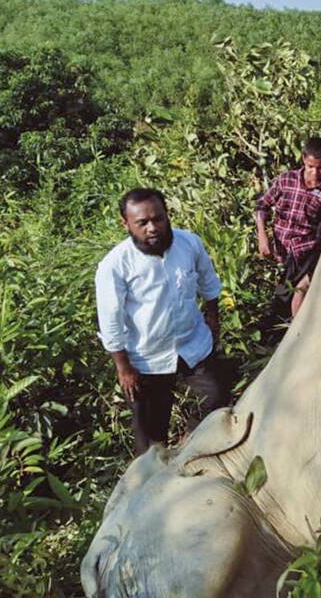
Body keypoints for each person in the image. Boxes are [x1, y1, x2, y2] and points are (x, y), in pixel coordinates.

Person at [95, 188, 230, 455]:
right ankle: (157, 475)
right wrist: (123, 368)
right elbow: (111, 320)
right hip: (146, 358)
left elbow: (208, 282)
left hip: (193, 344)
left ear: (167, 215)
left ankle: (191, 449)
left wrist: (212, 318)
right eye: (142, 223)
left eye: (158, 219)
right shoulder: (115, 265)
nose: (152, 228)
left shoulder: (189, 244)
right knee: (151, 442)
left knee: (216, 401)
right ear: (125, 224)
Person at [255, 137, 321, 321]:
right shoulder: (286, 180)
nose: (315, 173)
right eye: (310, 167)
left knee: (289, 295)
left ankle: (287, 326)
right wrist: (262, 236)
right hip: (280, 251)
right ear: (303, 159)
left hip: (304, 254)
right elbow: (262, 206)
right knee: (280, 296)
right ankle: (276, 324)